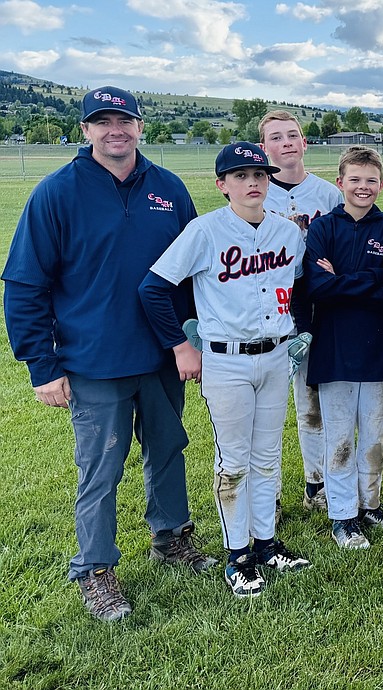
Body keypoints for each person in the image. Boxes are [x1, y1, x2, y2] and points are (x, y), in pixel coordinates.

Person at [3, 85, 216, 621]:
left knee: (167, 450)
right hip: (94, 359)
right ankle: (95, 571)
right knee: (100, 469)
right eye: (103, 121)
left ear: (141, 126)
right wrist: (41, 366)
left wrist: (189, 337)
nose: (115, 129)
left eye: (125, 119)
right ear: (86, 130)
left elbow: (190, 275)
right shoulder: (57, 193)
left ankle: (172, 539)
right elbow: (25, 284)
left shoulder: (168, 188)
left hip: (163, 355)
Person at [140, 142, 312, 598]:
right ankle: (238, 556)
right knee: (233, 462)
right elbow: (153, 288)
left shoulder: (287, 233)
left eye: (259, 173)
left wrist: (296, 330)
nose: (253, 182)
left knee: (268, 456)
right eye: (240, 175)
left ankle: (267, 543)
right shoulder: (205, 231)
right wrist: (181, 346)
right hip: (226, 359)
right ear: (222, 185)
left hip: (276, 355)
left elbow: (296, 287)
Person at [301, 146, 383, 550]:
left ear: (382, 183)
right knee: (340, 436)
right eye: (355, 180)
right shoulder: (323, 229)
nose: (363, 187)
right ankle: (342, 516)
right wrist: (370, 280)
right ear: (340, 183)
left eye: (371, 180)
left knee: (373, 436)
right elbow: (316, 287)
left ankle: (370, 505)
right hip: (333, 347)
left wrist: (341, 279)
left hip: (378, 345)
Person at [258, 109, 345, 517]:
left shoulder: (327, 194)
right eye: (276, 137)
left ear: (305, 142)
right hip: (270, 308)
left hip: (317, 305)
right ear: (264, 148)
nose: (287, 143)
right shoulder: (256, 190)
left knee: (313, 400)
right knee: (269, 405)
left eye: (293, 135)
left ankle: (317, 484)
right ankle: (269, 494)